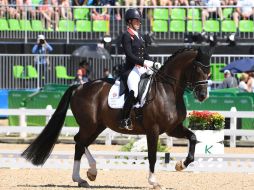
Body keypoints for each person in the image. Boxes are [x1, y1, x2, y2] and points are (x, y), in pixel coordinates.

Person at [120, 8, 161, 130]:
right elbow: (130, 55)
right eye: (137, 21)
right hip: (131, 69)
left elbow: (145, 53)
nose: (139, 23)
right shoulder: (127, 36)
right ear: (130, 21)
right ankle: (124, 119)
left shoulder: (140, 36)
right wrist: (144, 62)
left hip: (142, 68)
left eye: (140, 21)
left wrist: (153, 63)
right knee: (134, 92)